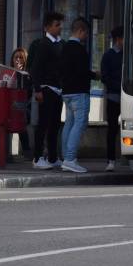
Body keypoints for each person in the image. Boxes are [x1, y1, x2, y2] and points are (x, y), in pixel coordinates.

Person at [58, 17, 98, 173]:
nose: (87, 36)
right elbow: (82, 72)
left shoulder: (65, 47)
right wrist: (95, 75)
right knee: (79, 124)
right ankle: (70, 158)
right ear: (80, 31)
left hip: (66, 92)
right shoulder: (80, 50)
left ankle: (65, 158)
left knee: (69, 123)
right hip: (79, 92)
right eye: (86, 33)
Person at [27, 12, 64, 170]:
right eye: (56, 25)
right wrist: (37, 89)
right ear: (47, 27)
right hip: (46, 88)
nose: (59, 27)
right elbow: (35, 69)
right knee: (43, 124)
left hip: (58, 89)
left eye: (60, 24)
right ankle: (37, 157)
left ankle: (53, 157)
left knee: (55, 124)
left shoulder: (61, 44)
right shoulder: (42, 44)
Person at [100, 26, 133, 172]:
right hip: (113, 97)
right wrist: (119, 85)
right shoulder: (108, 55)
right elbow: (105, 77)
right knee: (112, 130)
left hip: (128, 98)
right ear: (118, 39)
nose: (126, 41)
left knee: (132, 129)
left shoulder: (129, 55)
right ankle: (110, 160)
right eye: (124, 38)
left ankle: (132, 159)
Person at [10, 47, 32, 160]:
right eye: (16, 57)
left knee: (21, 117)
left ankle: (27, 150)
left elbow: (26, 92)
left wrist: (20, 74)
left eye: (21, 58)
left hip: (25, 106)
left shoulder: (28, 75)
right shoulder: (9, 72)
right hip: (10, 105)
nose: (18, 60)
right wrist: (15, 73)